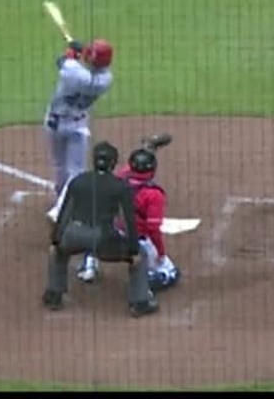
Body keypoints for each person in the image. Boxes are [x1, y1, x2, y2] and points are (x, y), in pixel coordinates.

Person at [42, 141, 159, 318]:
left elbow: (65, 213)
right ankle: (140, 302)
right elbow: (128, 222)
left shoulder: (78, 181)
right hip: (102, 239)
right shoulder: (120, 186)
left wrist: (56, 240)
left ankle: (53, 295)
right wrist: (133, 250)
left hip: (74, 235)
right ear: (113, 163)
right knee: (141, 255)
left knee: (58, 252)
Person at [42, 37, 115, 287]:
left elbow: (61, 61)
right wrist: (79, 53)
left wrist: (72, 51)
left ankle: (61, 209)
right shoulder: (105, 80)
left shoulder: (75, 72)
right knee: (72, 170)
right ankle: (63, 204)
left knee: (66, 169)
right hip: (77, 125)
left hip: (56, 124)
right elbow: (72, 63)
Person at [118, 144, 181, 291]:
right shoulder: (153, 195)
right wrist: (161, 252)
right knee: (171, 272)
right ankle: (144, 282)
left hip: (115, 236)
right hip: (139, 243)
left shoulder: (119, 181)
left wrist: (147, 149)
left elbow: (128, 170)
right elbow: (153, 229)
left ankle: (90, 262)